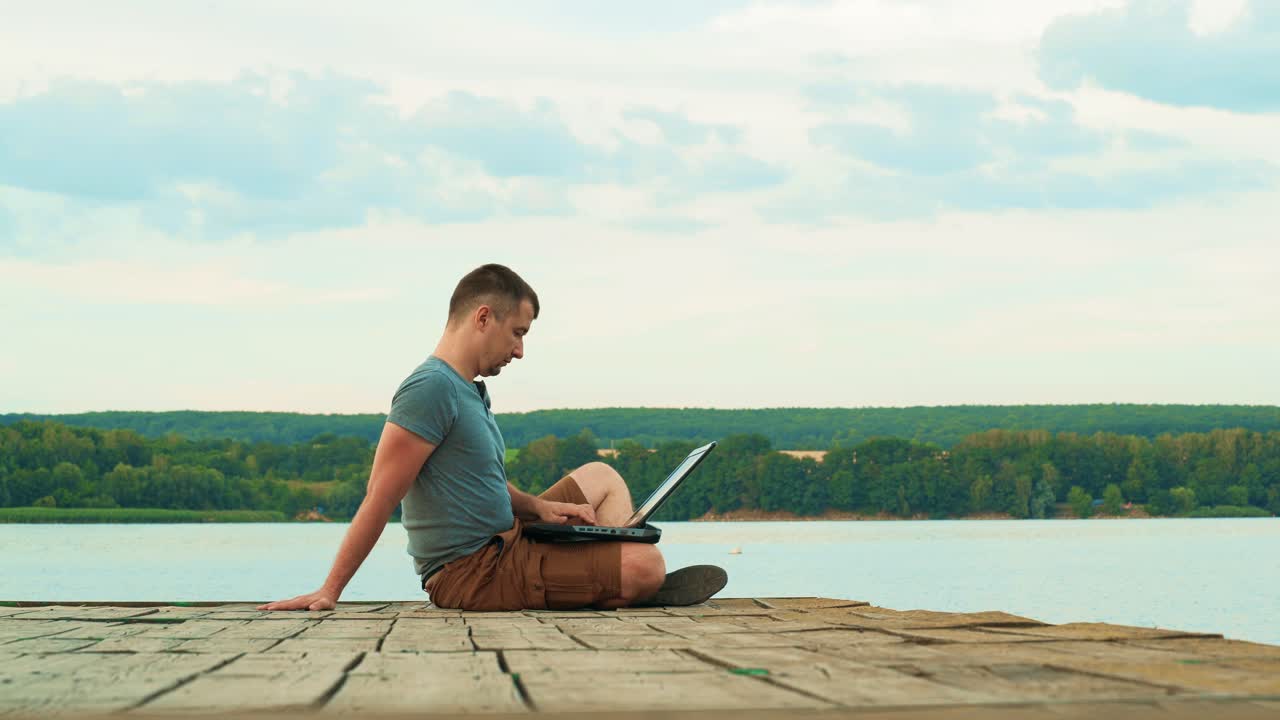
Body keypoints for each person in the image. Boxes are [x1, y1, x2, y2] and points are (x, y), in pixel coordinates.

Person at [259, 264, 727, 612]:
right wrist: (329, 590)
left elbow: (476, 481)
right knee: (648, 565)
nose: (520, 351)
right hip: (472, 575)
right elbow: (379, 498)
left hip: (509, 541)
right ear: (483, 317)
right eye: (517, 333)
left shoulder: (468, 390)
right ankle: (627, 581)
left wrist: (539, 508)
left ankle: (611, 576)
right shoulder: (429, 389)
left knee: (600, 475)